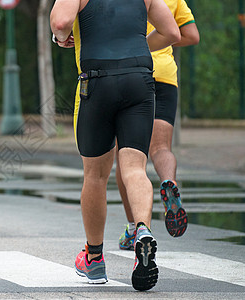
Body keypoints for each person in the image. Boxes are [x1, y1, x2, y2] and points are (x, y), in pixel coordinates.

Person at [50, 0, 180, 291]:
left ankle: (94, 258)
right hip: (140, 78)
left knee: (95, 175)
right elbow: (172, 32)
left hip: (98, 80)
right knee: (134, 167)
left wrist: (61, 40)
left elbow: (60, 22)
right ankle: (142, 230)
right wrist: (137, 46)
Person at [118, 0, 199, 250]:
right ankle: (169, 182)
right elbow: (191, 35)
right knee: (161, 147)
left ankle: (134, 228)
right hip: (165, 74)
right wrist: (164, 41)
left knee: (128, 157)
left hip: (134, 70)